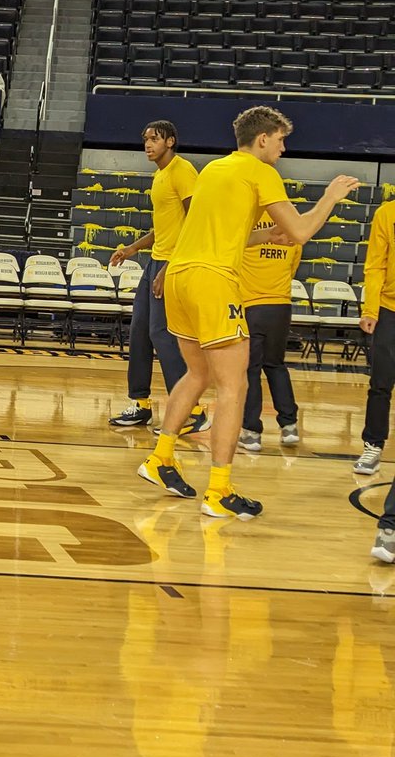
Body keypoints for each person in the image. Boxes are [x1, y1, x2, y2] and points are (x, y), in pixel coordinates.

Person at [136, 106, 359, 519]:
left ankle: (161, 457)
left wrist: (264, 235)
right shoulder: (261, 172)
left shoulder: (214, 170)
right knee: (233, 386)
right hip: (212, 280)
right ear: (263, 139)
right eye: (281, 140)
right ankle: (219, 490)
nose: (283, 148)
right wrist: (330, 196)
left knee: (197, 373)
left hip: (179, 274)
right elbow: (301, 232)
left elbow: (220, 232)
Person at [108, 122, 209, 436]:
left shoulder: (182, 171)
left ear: (171, 141)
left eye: (154, 139)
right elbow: (164, 227)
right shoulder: (160, 175)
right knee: (139, 331)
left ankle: (192, 411)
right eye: (145, 139)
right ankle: (141, 404)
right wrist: (132, 249)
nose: (148, 144)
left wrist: (170, 267)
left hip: (174, 263)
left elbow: (196, 220)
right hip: (155, 261)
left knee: (161, 335)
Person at [236, 210, 302, 452]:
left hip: (251, 304)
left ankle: (251, 432)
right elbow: (293, 266)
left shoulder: (247, 218)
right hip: (281, 305)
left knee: (251, 370)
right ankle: (289, 426)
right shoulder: (290, 220)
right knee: (276, 365)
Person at [355, 198, 395, 478]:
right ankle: (373, 446)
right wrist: (370, 309)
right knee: (381, 383)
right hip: (389, 310)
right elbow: (375, 265)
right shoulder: (386, 213)